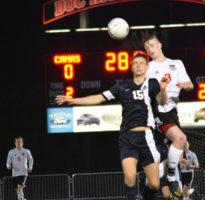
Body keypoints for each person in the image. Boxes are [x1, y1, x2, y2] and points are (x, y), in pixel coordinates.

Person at [56, 53, 169, 200]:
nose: (139, 65)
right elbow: (99, 98)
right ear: (131, 67)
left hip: (147, 137)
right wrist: (72, 100)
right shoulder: (122, 86)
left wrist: (163, 89)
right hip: (127, 137)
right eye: (135, 63)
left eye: (142, 63)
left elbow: (162, 102)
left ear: (147, 67)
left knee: (154, 185)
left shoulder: (153, 83)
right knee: (129, 175)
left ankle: (146, 193)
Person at [143, 31, 194, 198]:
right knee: (180, 139)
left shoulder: (176, 63)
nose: (149, 49)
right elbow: (153, 96)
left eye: (151, 45)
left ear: (159, 45)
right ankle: (171, 175)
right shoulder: (148, 68)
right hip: (158, 111)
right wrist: (162, 89)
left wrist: (185, 85)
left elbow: (190, 85)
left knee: (177, 157)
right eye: (146, 48)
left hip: (172, 112)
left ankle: (149, 183)